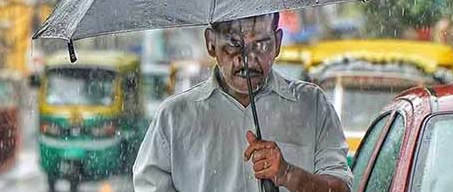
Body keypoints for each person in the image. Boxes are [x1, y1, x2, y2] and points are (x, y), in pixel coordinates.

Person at [134, 13, 352, 192]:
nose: (247, 58)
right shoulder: (174, 118)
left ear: (277, 43)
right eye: (234, 44)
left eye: (261, 45)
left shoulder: (312, 106)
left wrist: (288, 174)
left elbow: (341, 188)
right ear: (211, 43)